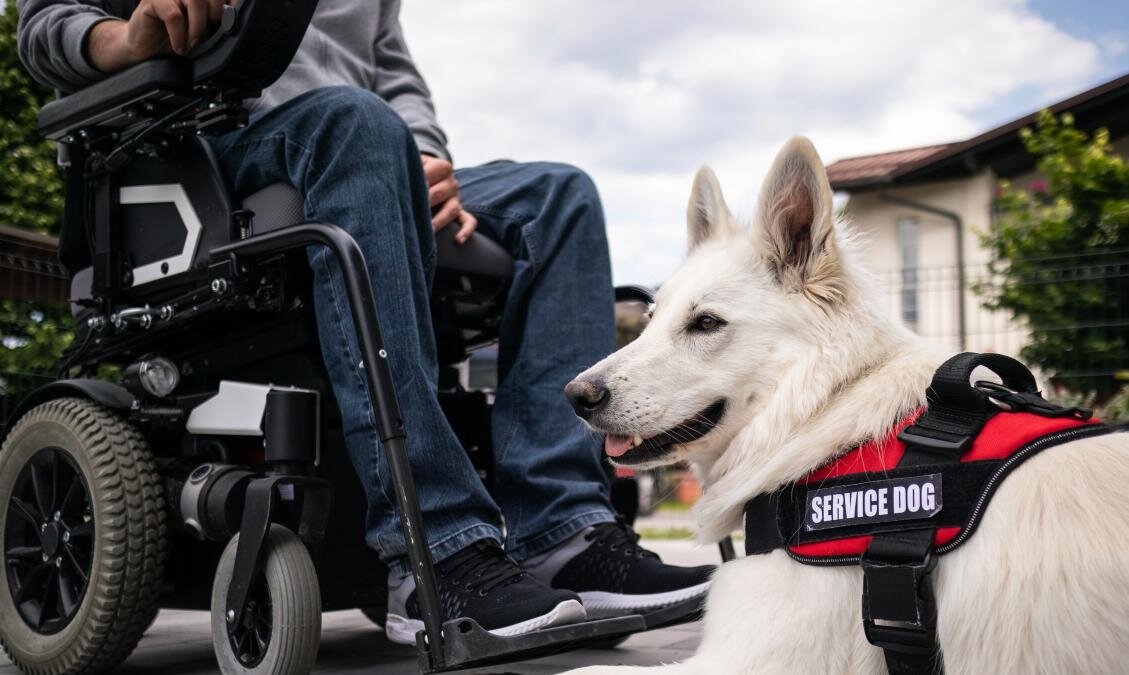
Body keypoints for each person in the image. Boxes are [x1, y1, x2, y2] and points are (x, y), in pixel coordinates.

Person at [18, 0, 713, 645]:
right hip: (211, 142)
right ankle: (435, 551)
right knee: (357, 125)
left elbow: (394, 75)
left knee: (559, 196)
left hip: (370, 150)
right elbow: (41, 25)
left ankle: (565, 537)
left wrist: (430, 155)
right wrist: (125, 39)